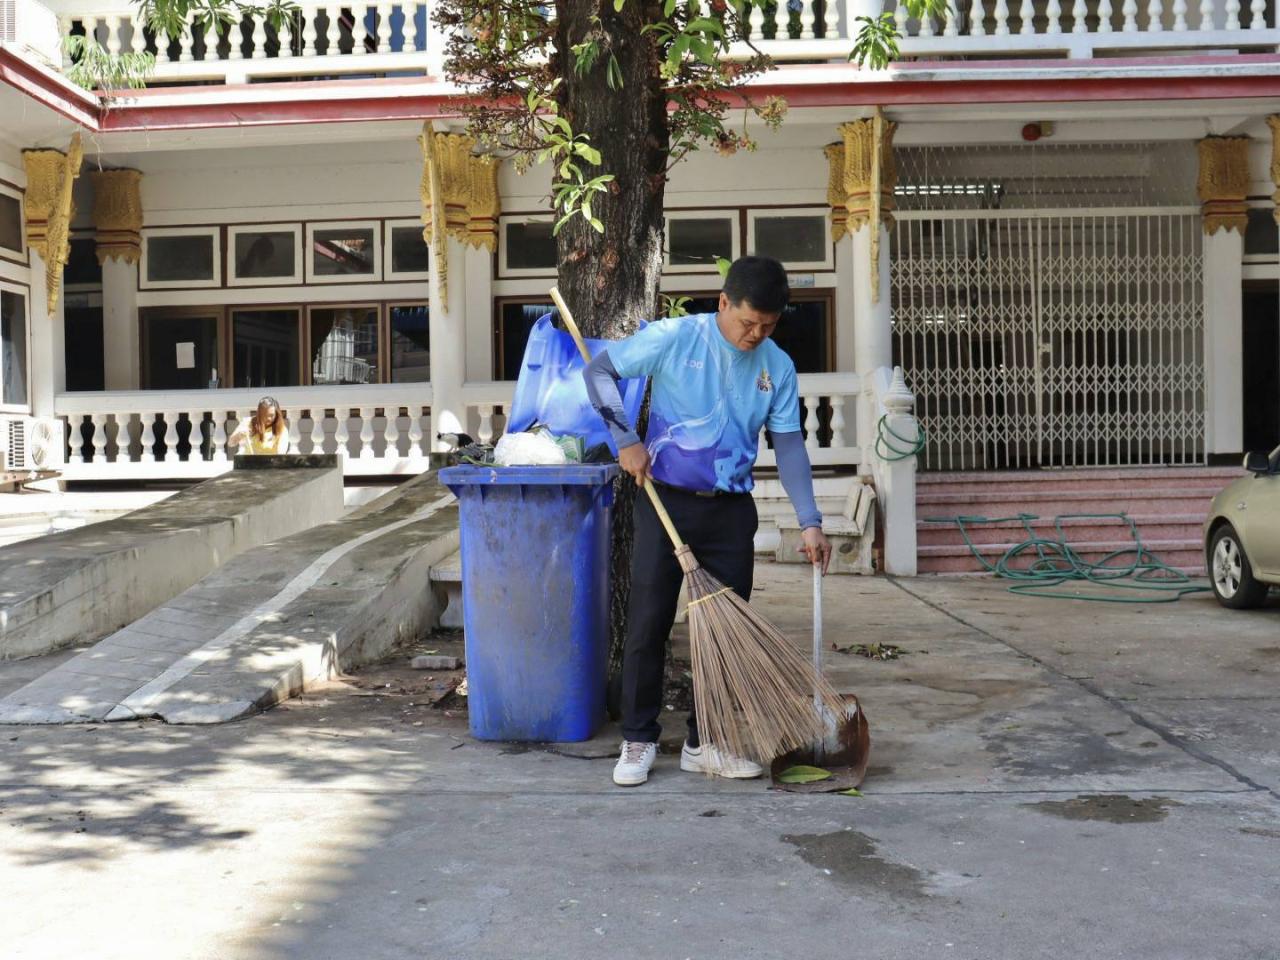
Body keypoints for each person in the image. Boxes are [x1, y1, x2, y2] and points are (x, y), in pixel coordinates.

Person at [584, 255, 832, 787]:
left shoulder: (778, 367)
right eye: (747, 322)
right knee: (648, 624)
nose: (754, 335)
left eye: (767, 326)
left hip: (730, 512)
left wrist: (809, 519)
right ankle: (638, 739)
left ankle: (705, 741)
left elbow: (788, 446)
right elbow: (598, 370)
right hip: (665, 501)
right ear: (723, 303)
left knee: (720, 635)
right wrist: (625, 440)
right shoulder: (677, 338)